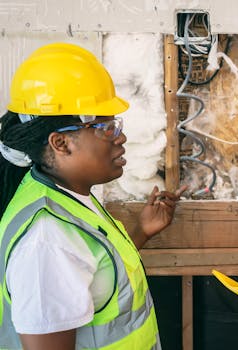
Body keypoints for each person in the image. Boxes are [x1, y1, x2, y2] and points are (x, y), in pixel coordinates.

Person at [0, 42, 187, 350]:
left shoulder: (65, 195)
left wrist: (141, 231)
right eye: (105, 127)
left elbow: (94, 276)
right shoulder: (46, 240)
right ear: (60, 143)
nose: (121, 136)